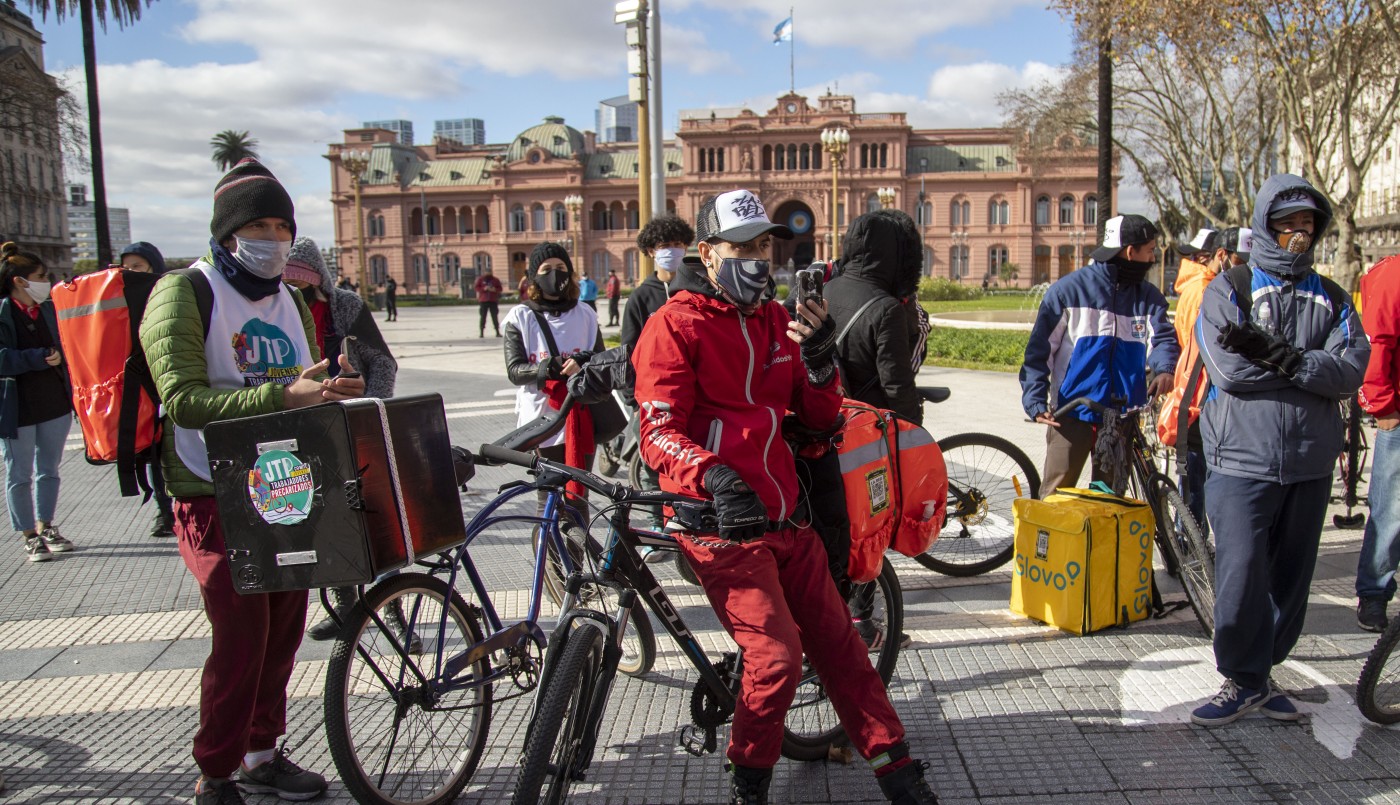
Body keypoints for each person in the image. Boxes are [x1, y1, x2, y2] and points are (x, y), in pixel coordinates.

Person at [633, 189, 937, 804]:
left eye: (763, 245)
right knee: (776, 659)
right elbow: (657, 433)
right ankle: (749, 784)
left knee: (843, 649)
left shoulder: (777, 321)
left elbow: (820, 420)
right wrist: (714, 476)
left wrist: (821, 362)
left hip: (786, 516)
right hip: (716, 524)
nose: (756, 258)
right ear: (709, 253)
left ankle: (900, 776)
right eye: (741, 247)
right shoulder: (675, 324)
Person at [139, 159, 365, 803]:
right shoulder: (185, 290)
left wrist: (327, 390)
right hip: (211, 488)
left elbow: (298, 385)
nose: (272, 238)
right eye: (258, 225)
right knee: (241, 636)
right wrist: (283, 397)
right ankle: (216, 770)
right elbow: (181, 399)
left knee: (284, 631)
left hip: (282, 485)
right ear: (228, 232)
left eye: (281, 226)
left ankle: (263, 753)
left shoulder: (290, 297)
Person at [1190, 174, 1368, 725]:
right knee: (1241, 572)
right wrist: (1304, 370)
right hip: (1242, 458)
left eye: (1308, 225)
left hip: (1311, 463)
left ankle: (1262, 675)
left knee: (1292, 578)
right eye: (1287, 223)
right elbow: (1232, 369)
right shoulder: (1231, 287)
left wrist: (1290, 361)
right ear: (1266, 223)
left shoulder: (1333, 297)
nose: (1298, 234)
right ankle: (1240, 678)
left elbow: (1350, 371)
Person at [281, 236, 406, 645]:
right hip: (305, 432)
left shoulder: (345, 307)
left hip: (355, 425)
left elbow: (383, 362)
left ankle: (395, 607)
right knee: (326, 519)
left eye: (303, 284)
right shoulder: (277, 310)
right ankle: (345, 608)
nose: (296, 291)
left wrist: (372, 409)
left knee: (377, 518)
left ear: (319, 281)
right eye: (289, 283)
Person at [1020, 213, 1179, 495]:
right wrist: (1035, 400)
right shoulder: (1067, 292)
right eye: (1151, 250)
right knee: (1055, 500)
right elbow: (1039, 352)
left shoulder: (1149, 298)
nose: (1154, 257)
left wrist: (1164, 368)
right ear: (1131, 252)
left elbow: (1163, 339)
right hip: (1070, 415)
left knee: (1110, 504)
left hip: (1121, 418)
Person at [1159, 226, 1252, 536]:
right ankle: (1189, 540)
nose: (1246, 269)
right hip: (1200, 393)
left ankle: (1189, 536)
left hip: (1199, 390)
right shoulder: (1205, 290)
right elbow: (1205, 348)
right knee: (1198, 474)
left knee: (1196, 474)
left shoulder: (1203, 285)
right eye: (1241, 260)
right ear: (1221, 256)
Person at [504, 243, 604, 493]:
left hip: (580, 412)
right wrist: (550, 367)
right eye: (546, 269)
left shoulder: (586, 314)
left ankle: (577, 534)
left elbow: (603, 359)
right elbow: (515, 370)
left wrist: (583, 360)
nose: (554, 274)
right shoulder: (520, 317)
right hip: (541, 419)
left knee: (578, 495)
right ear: (533, 277)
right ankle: (547, 534)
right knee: (548, 497)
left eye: (561, 267)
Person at [0, 243, 74, 563]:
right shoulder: (3, 312)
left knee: (49, 469)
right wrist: (39, 357)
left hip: (54, 401)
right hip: (16, 406)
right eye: (41, 276)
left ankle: (47, 526)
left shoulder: (48, 308)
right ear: (19, 280)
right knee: (19, 473)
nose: (47, 281)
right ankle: (29, 535)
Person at [619, 215, 693, 533]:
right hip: (651, 400)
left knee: (689, 461)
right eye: (665, 246)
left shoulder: (695, 290)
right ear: (651, 251)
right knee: (653, 464)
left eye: (677, 245)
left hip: (692, 396)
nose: (672, 251)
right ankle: (657, 525)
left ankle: (686, 522)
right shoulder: (641, 297)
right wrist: (632, 400)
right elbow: (628, 350)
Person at [825, 209, 925, 424]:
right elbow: (897, 386)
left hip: (831, 417)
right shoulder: (887, 308)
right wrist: (915, 428)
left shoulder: (827, 289)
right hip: (871, 427)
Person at [120, 240, 177, 538]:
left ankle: (176, 507)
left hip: (167, 382)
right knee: (152, 452)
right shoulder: (119, 300)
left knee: (171, 450)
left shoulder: (169, 294)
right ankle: (164, 511)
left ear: (153, 267)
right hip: (139, 386)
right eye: (126, 267)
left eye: (137, 267)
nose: (130, 273)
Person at [1358, 252, 1400, 632]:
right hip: (1397, 416)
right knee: (1391, 510)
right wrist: (1383, 407)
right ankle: (1374, 593)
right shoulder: (1392, 274)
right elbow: (1377, 345)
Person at [474, 266, 503, 338]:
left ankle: (497, 332)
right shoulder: (480, 279)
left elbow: (500, 288)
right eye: (487, 272)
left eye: (489, 272)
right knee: (483, 317)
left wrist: (494, 289)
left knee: (494, 316)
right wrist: (484, 289)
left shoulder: (495, 280)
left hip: (493, 300)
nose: (488, 273)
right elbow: (476, 287)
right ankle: (481, 332)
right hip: (483, 301)